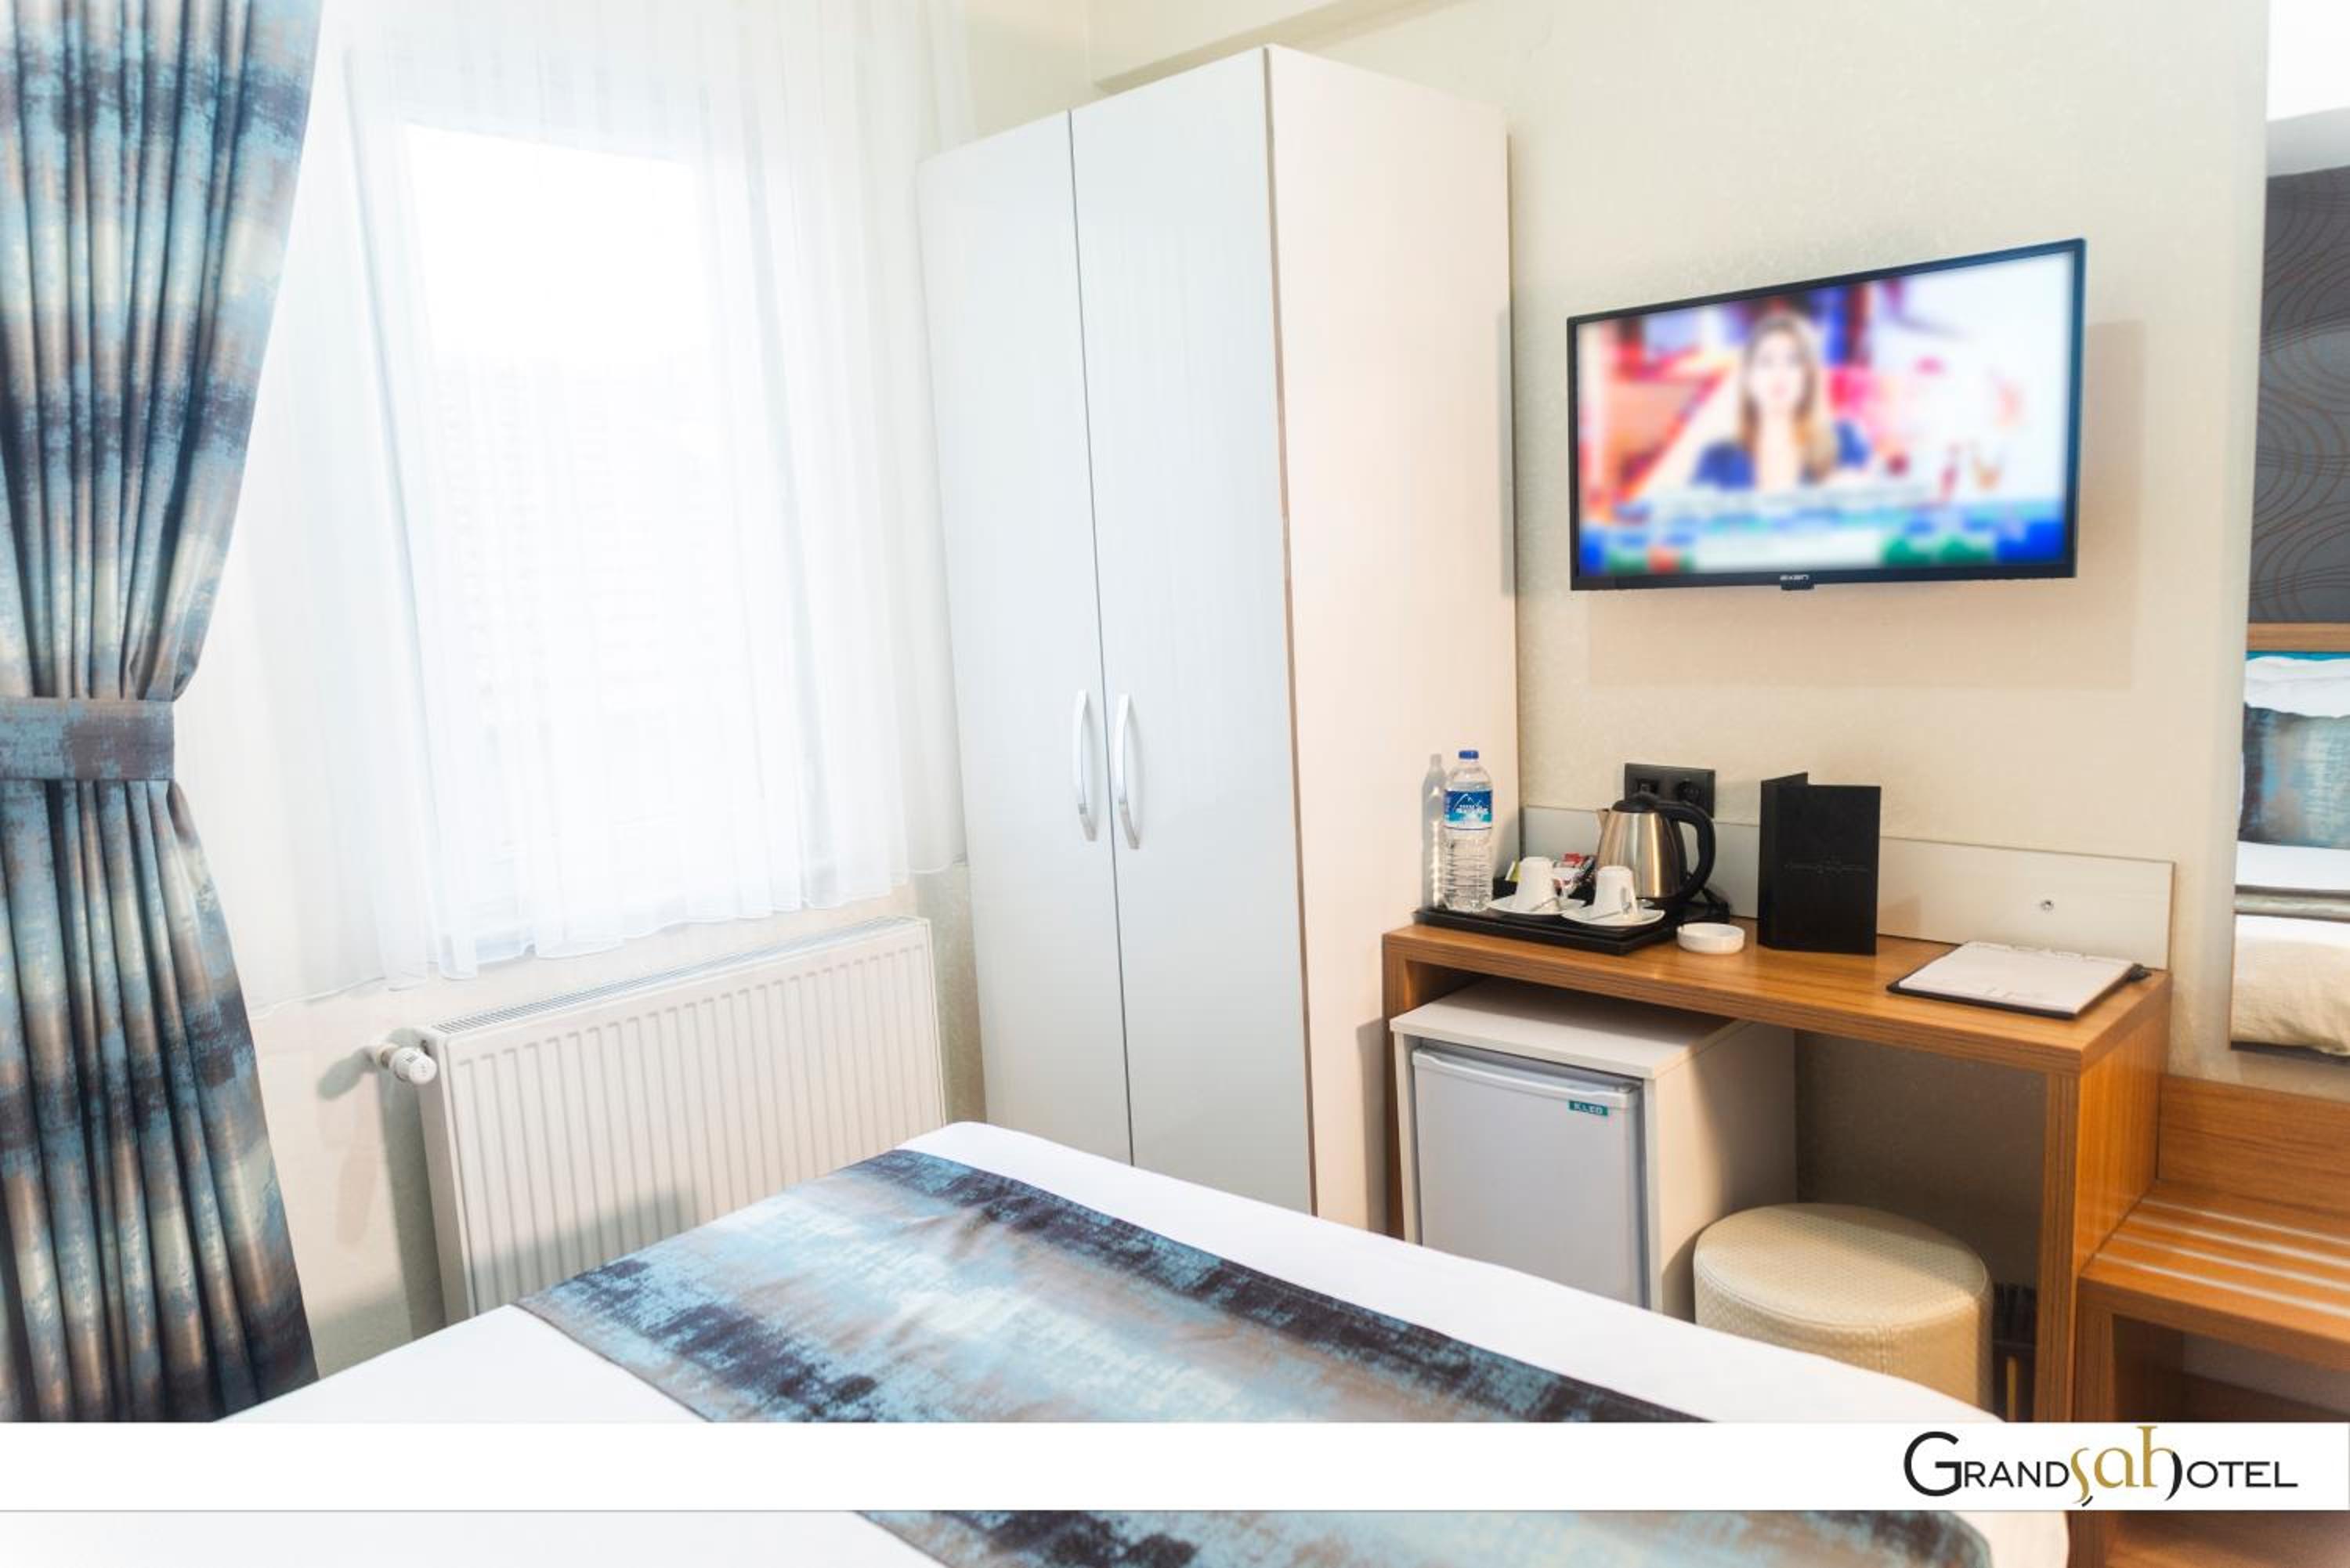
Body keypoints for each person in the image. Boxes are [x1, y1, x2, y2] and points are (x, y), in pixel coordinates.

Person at [1691, 311, 1869, 491]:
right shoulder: (1718, 459)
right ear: (1747, 377)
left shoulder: (1844, 442)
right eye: (1766, 362)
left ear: (1809, 376)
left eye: (1793, 361)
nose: (1779, 373)